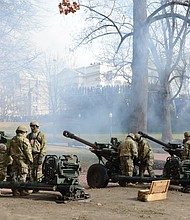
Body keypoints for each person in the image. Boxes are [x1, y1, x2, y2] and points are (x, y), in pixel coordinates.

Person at [9, 125, 33, 196]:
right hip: (22, 161)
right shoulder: (24, 140)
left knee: (14, 175)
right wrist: (31, 160)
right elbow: (28, 151)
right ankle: (22, 191)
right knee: (23, 175)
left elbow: (9, 150)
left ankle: (15, 191)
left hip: (14, 160)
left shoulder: (13, 139)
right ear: (23, 132)